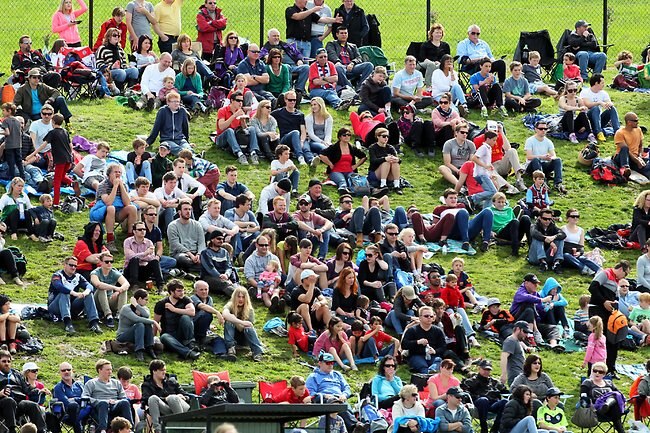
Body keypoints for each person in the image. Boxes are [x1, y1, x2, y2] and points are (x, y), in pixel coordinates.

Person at [588, 261, 630, 378]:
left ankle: (610, 368)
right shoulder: (605, 274)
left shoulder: (616, 281)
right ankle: (594, 370)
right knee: (598, 339)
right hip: (597, 309)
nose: (624, 277)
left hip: (609, 312)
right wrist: (604, 301)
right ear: (621, 269)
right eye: (625, 274)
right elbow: (592, 287)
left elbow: (615, 297)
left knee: (613, 340)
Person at [305, 351, 361, 433]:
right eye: (328, 363)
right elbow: (310, 393)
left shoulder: (337, 374)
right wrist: (324, 395)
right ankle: (355, 427)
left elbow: (346, 388)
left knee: (340, 403)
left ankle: (355, 427)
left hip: (340, 398)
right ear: (320, 363)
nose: (331, 365)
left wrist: (344, 395)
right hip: (324, 400)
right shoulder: (313, 376)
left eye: (332, 363)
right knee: (338, 404)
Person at [47, 256, 102, 334]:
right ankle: (68, 324)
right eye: (71, 265)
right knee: (64, 293)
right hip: (56, 307)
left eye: (75, 266)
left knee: (88, 294)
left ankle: (94, 323)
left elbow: (89, 286)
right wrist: (74, 293)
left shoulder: (77, 276)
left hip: (72, 307)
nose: (73, 268)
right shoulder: (57, 275)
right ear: (65, 265)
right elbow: (59, 286)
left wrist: (85, 292)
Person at [91, 163, 138, 253]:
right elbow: (108, 202)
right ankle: (110, 240)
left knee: (132, 208)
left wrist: (121, 187)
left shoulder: (123, 185)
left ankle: (130, 239)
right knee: (111, 208)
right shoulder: (102, 185)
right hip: (103, 212)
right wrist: (115, 186)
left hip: (118, 212)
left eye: (119, 172)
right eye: (115, 172)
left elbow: (127, 202)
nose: (118, 174)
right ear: (109, 174)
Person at [0, 351, 46, 433]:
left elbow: (27, 389)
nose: (7, 364)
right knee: (9, 401)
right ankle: (12, 430)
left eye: (9, 361)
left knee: (32, 405)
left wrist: (39, 391)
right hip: (3, 404)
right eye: (4, 361)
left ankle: (41, 430)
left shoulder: (16, 374)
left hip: (18, 402)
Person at [153, 279, 200, 359]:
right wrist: (152, 339)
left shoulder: (185, 300)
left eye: (183, 290)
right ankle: (188, 352)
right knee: (164, 337)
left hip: (182, 333)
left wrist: (174, 309)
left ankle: (190, 343)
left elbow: (192, 312)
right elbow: (155, 322)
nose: (182, 293)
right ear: (171, 292)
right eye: (179, 291)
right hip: (170, 335)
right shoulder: (161, 304)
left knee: (185, 317)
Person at [82, 359, 132, 433]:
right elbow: (84, 397)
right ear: (100, 370)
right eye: (107, 370)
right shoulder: (91, 383)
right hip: (99, 407)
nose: (110, 372)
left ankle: (130, 429)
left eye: (111, 370)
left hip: (114, 406)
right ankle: (103, 430)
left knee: (125, 402)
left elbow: (123, 397)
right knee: (103, 403)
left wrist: (115, 401)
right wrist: (101, 401)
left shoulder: (116, 383)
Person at [141, 359, 191, 433]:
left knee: (172, 398)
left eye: (165, 370)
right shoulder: (147, 385)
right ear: (154, 371)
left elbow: (186, 395)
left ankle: (180, 427)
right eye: (162, 370)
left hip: (181, 408)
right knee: (152, 398)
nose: (164, 372)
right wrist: (165, 398)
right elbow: (145, 399)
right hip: (166, 410)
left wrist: (182, 397)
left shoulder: (171, 381)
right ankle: (158, 430)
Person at [461, 359, 507, 433]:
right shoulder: (471, 381)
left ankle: (495, 429)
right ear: (479, 368)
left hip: (493, 405)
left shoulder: (494, 382)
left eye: (488, 370)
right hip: (478, 406)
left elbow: (506, 391)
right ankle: (484, 428)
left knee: (505, 402)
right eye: (484, 369)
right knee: (483, 400)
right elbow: (465, 393)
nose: (486, 371)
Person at [215, 90, 261, 165]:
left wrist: (243, 121)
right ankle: (240, 154)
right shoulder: (222, 110)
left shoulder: (240, 111)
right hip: (221, 139)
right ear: (232, 101)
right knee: (229, 130)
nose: (240, 103)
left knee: (251, 128)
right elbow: (222, 127)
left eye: (242, 101)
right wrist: (234, 116)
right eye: (238, 100)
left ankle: (253, 152)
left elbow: (244, 129)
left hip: (235, 137)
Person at [580, 362, 625, 433]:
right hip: (595, 410)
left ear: (604, 374)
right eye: (595, 371)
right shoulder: (587, 382)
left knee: (615, 395)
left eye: (600, 372)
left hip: (610, 410)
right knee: (614, 403)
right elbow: (583, 398)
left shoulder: (609, 382)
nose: (597, 373)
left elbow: (619, 395)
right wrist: (589, 406)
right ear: (592, 371)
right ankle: (621, 432)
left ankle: (606, 405)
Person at [319, 127, 367, 195]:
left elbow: (364, 157)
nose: (347, 137)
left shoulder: (352, 147)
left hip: (349, 170)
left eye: (349, 135)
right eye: (344, 135)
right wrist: (330, 164)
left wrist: (355, 166)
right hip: (336, 171)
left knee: (354, 181)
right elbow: (322, 155)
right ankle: (343, 190)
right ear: (340, 137)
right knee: (342, 181)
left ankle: (353, 192)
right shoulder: (334, 147)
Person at [222, 286, 264, 362]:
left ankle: (257, 352)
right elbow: (225, 314)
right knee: (229, 322)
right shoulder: (230, 305)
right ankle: (231, 349)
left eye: (243, 297)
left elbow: (248, 326)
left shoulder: (249, 310)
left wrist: (235, 321)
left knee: (247, 327)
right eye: (239, 297)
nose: (241, 299)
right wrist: (240, 322)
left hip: (246, 337)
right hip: (232, 336)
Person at [525, 120, 567, 194]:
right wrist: (542, 157)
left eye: (545, 129)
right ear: (536, 129)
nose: (543, 131)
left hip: (544, 165)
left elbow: (553, 155)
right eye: (541, 129)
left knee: (557, 160)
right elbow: (529, 156)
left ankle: (558, 183)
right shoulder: (530, 140)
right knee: (535, 160)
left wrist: (550, 157)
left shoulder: (548, 142)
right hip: (532, 167)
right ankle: (542, 183)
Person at [401, 305, 446, 374]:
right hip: (416, 355)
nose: (429, 318)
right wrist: (417, 342)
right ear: (420, 317)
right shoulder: (412, 330)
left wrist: (435, 351)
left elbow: (443, 347)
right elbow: (404, 345)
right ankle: (428, 374)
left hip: (433, 356)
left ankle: (431, 372)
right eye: (426, 316)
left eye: (431, 316)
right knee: (422, 366)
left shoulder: (438, 330)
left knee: (438, 360)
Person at [117, 288, 159, 361]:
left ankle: (150, 347)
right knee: (140, 324)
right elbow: (136, 319)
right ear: (139, 299)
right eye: (146, 299)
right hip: (123, 336)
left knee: (146, 323)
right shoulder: (126, 308)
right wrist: (154, 322)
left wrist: (137, 305)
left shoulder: (144, 308)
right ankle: (139, 351)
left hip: (137, 335)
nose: (147, 302)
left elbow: (146, 315)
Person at [326, 26, 373, 90]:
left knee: (369, 65)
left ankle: (360, 87)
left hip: (352, 67)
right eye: (342, 33)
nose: (344, 35)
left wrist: (352, 63)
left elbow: (359, 57)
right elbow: (331, 54)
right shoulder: (331, 44)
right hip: (340, 67)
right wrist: (337, 62)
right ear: (337, 34)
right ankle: (350, 88)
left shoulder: (353, 46)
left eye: (345, 33)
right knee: (338, 67)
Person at [146, 92, 192, 156]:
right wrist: (149, 141)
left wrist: (187, 141)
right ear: (168, 102)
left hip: (180, 139)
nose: (176, 103)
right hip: (167, 139)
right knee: (177, 149)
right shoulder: (162, 111)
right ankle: (189, 156)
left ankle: (194, 158)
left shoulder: (182, 111)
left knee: (188, 148)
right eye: (174, 101)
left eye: (178, 101)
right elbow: (156, 127)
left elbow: (185, 127)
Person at [90, 252, 129, 329]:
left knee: (123, 290)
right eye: (107, 262)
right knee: (102, 289)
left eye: (111, 262)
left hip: (110, 300)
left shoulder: (114, 272)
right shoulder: (95, 273)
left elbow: (126, 284)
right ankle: (108, 316)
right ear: (101, 262)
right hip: (97, 301)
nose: (109, 264)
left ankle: (120, 315)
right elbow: (98, 284)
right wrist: (114, 288)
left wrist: (119, 291)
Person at [580, 73, 620, 143]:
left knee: (612, 108)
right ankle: (599, 132)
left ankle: (617, 131)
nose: (603, 84)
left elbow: (609, 102)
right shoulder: (585, 92)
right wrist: (599, 102)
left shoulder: (604, 93)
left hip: (599, 119)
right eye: (602, 83)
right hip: (588, 120)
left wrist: (609, 104)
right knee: (596, 108)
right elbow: (588, 105)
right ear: (596, 83)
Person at [168, 200, 205, 275]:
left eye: (189, 209)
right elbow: (175, 244)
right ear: (179, 212)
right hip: (181, 253)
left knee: (208, 256)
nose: (188, 211)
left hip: (196, 253)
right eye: (185, 209)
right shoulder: (173, 225)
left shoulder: (197, 225)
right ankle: (203, 268)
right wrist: (190, 255)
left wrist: (198, 254)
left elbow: (201, 242)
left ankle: (190, 268)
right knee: (182, 259)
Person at [561, 208, 600, 276]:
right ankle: (585, 269)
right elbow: (561, 245)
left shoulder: (581, 230)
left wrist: (579, 252)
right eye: (573, 216)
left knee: (583, 258)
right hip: (566, 255)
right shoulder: (563, 229)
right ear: (568, 218)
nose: (575, 218)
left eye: (577, 216)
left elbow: (581, 246)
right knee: (566, 255)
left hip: (576, 254)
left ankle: (600, 271)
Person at [490, 192, 531, 256]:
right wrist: (490, 231)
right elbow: (483, 222)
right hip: (501, 232)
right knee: (514, 222)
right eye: (499, 202)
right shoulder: (490, 210)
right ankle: (515, 249)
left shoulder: (509, 209)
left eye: (503, 202)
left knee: (525, 218)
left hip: (514, 232)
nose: (501, 204)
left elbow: (515, 222)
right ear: (493, 203)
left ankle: (531, 246)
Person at [529, 209, 566, 274]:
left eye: (549, 219)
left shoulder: (552, 226)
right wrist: (547, 240)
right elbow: (534, 233)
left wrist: (553, 237)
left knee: (560, 239)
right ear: (540, 218)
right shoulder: (534, 225)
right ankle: (542, 262)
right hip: (535, 257)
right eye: (545, 219)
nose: (547, 221)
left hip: (548, 255)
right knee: (538, 238)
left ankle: (557, 263)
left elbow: (563, 234)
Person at [0, 177, 38, 242]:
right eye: (19, 186)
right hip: (8, 221)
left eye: (22, 186)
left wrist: (36, 217)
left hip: (20, 220)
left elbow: (30, 207)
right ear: (13, 185)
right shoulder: (6, 197)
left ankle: (31, 233)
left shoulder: (24, 196)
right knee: (16, 211)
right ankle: (13, 233)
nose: (20, 188)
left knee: (26, 212)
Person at [52, 362, 86, 433]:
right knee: (73, 405)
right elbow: (66, 402)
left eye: (68, 370)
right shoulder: (58, 387)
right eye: (63, 370)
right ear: (60, 373)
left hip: (85, 411)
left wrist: (75, 399)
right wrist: (80, 400)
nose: (66, 372)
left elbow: (86, 397)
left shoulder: (80, 385)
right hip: (68, 415)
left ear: (72, 371)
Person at [613, 112, 648, 178]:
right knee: (625, 148)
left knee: (646, 167)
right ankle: (625, 168)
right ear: (629, 122)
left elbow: (640, 145)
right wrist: (636, 160)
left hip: (634, 158)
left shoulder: (638, 130)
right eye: (636, 121)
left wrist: (640, 157)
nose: (638, 122)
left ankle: (629, 170)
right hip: (622, 158)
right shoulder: (620, 133)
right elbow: (625, 150)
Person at [557, 79, 592, 144]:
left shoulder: (578, 99)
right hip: (563, 123)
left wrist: (584, 126)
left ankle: (590, 134)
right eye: (570, 91)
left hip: (573, 122)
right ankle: (571, 135)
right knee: (569, 112)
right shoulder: (563, 99)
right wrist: (578, 108)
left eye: (575, 90)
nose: (573, 92)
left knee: (582, 114)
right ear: (566, 91)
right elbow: (566, 107)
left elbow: (584, 110)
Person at [500, 321, 530, 386]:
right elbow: (504, 357)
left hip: (520, 376)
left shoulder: (516, 341)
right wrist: (504, 374)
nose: (526, 335)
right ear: (518, 329)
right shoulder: (510, 341)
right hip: (515, 376)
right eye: (524, 332)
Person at [305, 97, 333, 163]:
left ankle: (318, 156)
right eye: (312, 105)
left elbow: (328, 133)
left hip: (325, 141)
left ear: (321, 105)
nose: (313, 107)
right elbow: (311, 134)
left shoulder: (328, 117)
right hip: (313, 141)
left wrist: (327, 142)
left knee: (333, 148)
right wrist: (321, 142)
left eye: (315, 105)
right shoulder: (308, 118)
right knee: (323, 148)